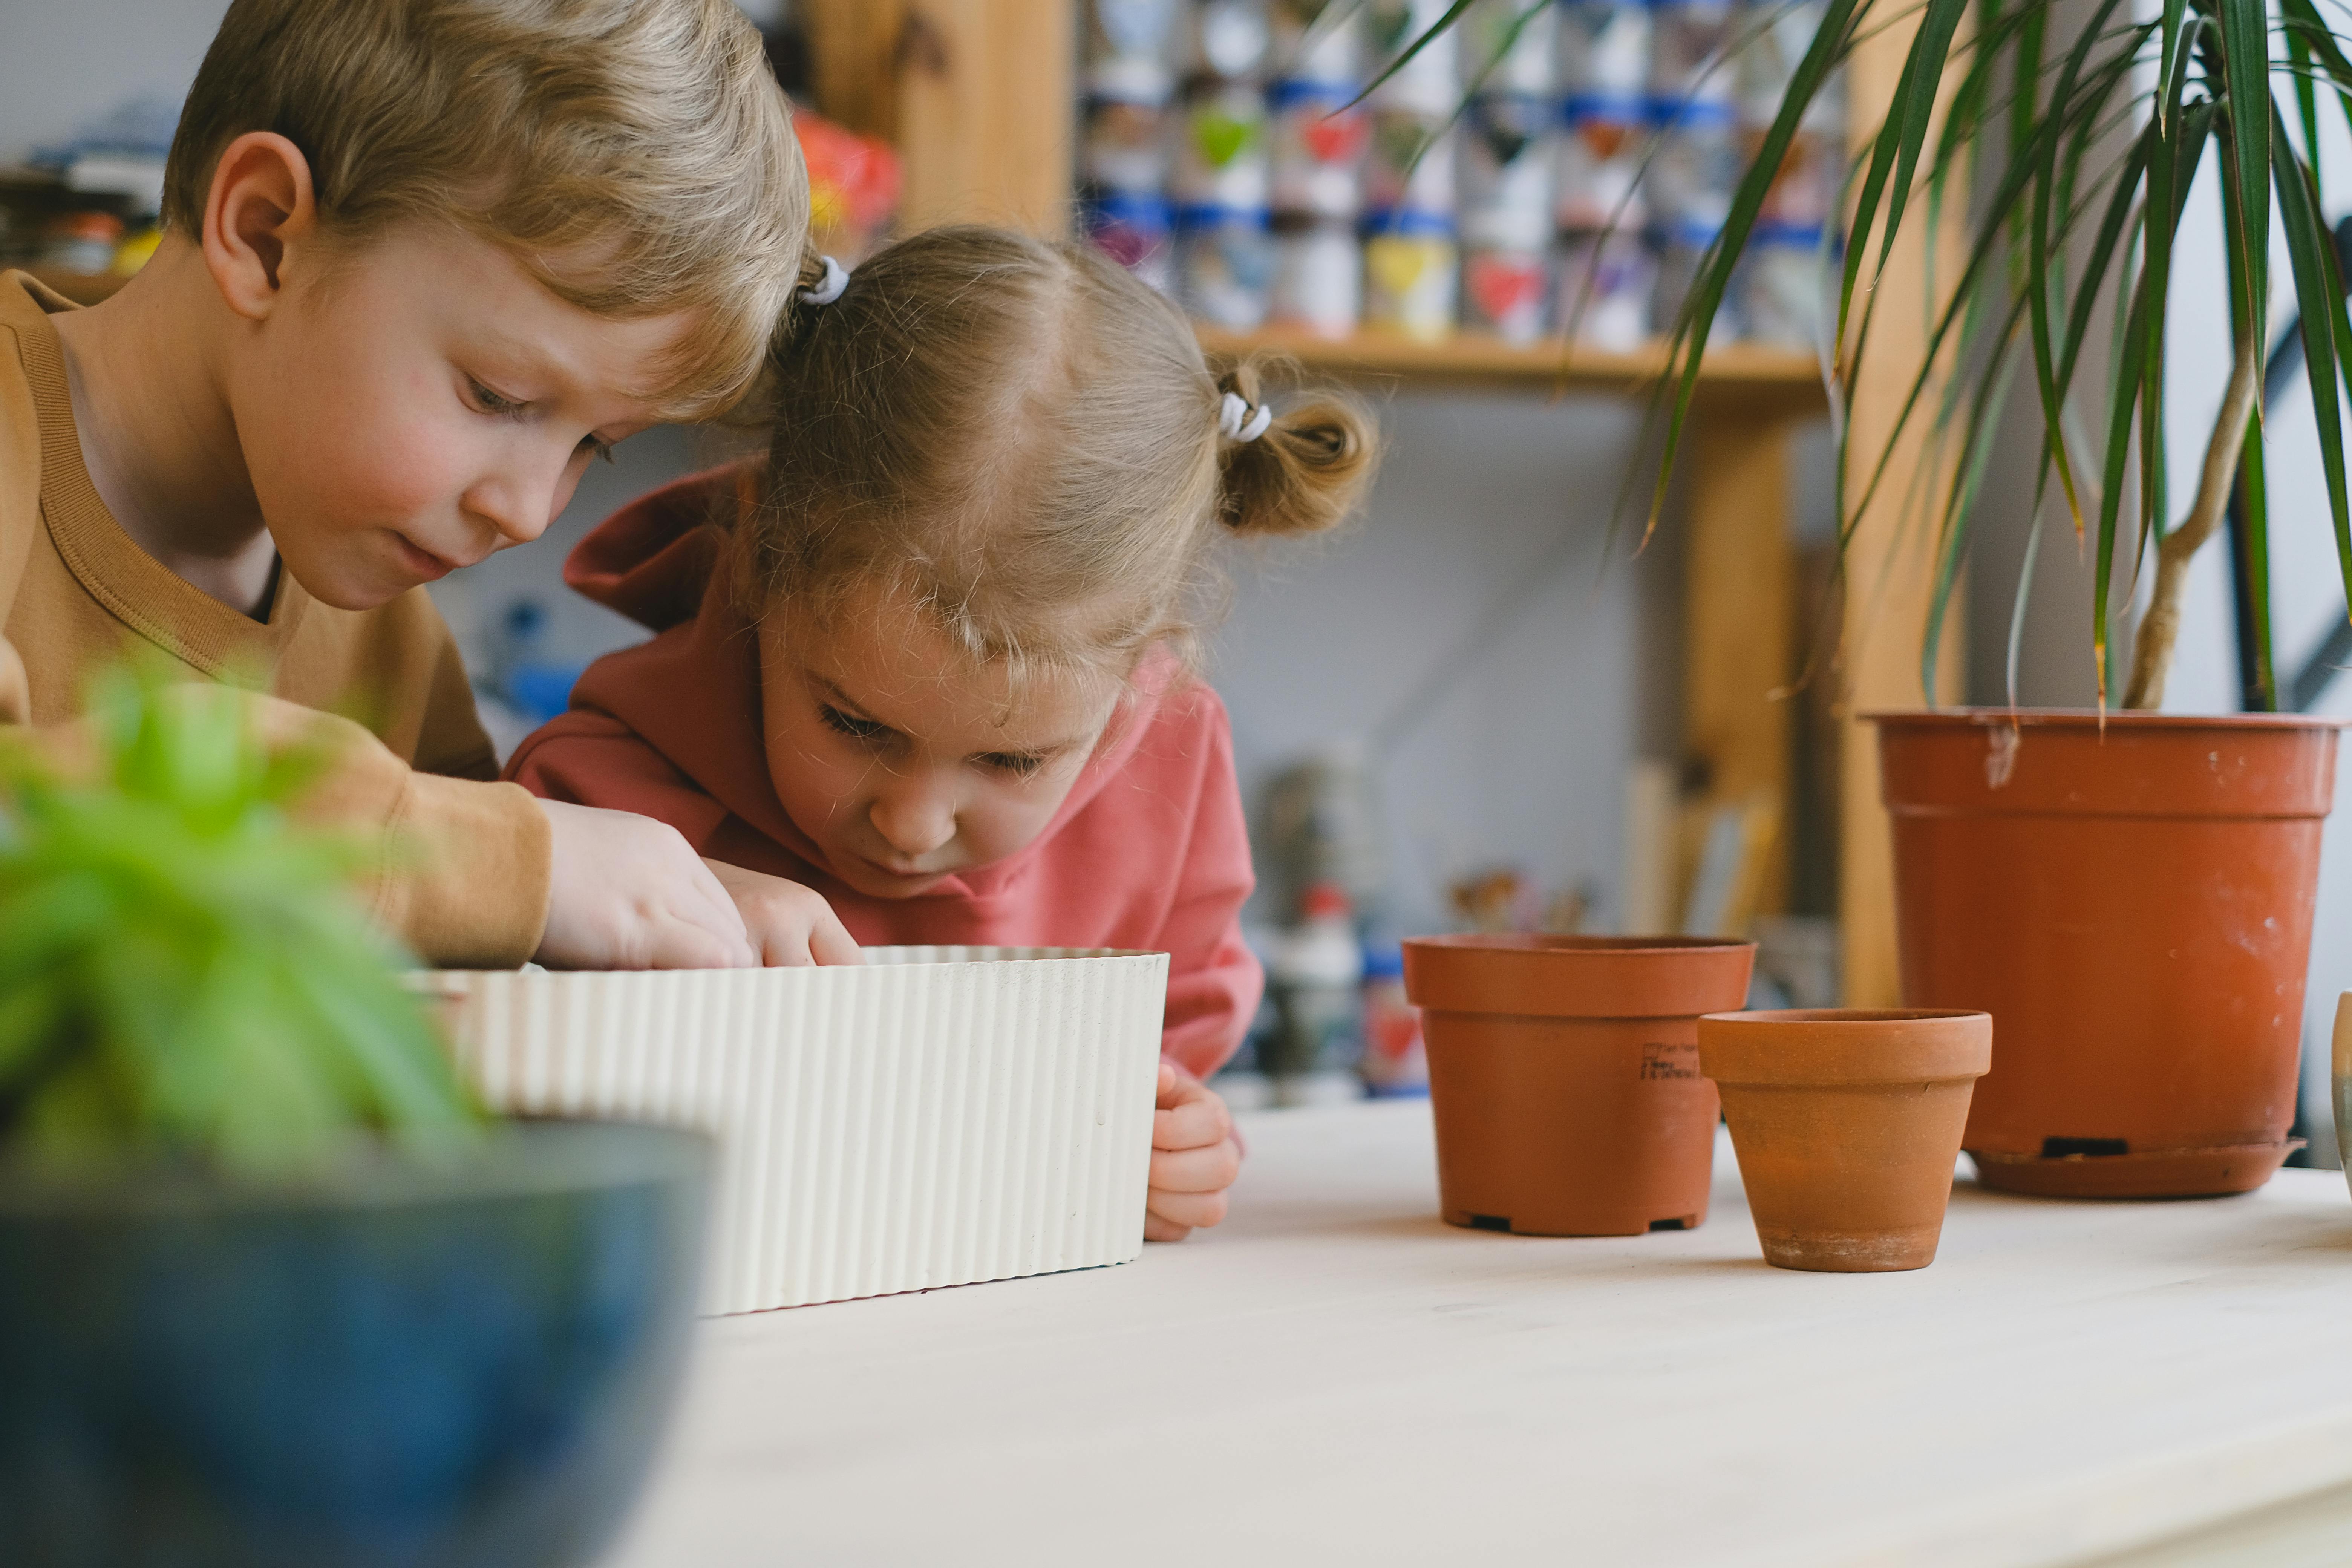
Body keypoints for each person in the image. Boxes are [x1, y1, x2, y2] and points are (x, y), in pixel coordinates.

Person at [506, 227, 1378, 1239]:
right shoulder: (597, 799)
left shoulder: (1173, 765)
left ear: (1139, 676)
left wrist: (1170, 1139)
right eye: (854, 723)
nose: (912, 825)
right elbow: (494, 1015)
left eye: (1010, 760)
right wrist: (669, 900)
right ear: (758, 568)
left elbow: (1172, 1049)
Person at [0, 0, 811, 969]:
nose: (525, 512)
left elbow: (460, 917)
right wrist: (516, 864)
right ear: (264, 237)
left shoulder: (386, 631)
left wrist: (684, 895)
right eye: (496, 395)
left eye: (593, 445)